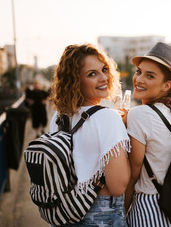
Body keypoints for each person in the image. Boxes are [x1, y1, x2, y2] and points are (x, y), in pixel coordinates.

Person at [49, 44, 131, 227]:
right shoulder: (108, 118)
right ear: (76, 81)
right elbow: (118, 186)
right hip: (101, 215)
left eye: (104, 70)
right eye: (92, 74)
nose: (103, 78)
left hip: (64, 212)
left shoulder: (58, 117)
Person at [124, 42, 171, 227]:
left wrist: (121, 210)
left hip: (151, 210)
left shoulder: (140, 114)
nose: (139, 79)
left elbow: (133, 173)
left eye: (150, 76)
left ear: (166, 85)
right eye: (139, 72)